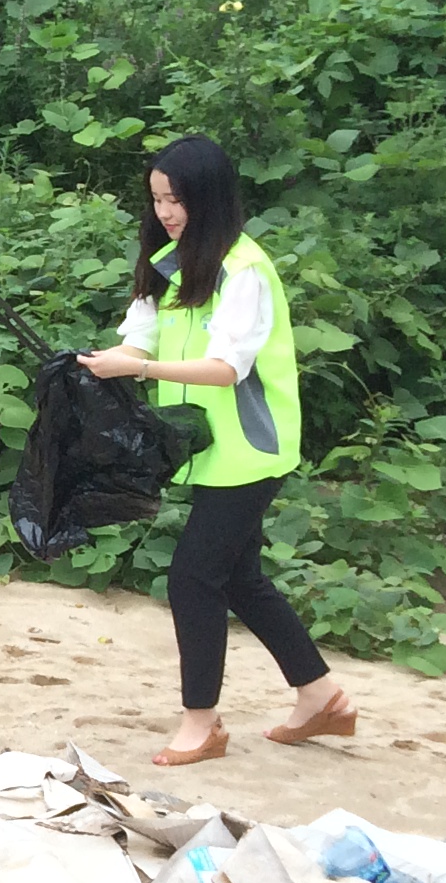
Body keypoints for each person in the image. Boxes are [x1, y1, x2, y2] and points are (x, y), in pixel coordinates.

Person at [80, 135, 353, 766]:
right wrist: (92, 365)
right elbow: (138, 345)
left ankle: (202, 723)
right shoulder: (168, 262)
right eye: (156, 199)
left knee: (193, 578)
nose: (166, 211)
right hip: (207, 449)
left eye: (176, 198)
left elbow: (227, 369)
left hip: (253, 449)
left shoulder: (246, 270)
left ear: (210, 196)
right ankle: (321, 697)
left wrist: (138, 374)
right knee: (240, 577)